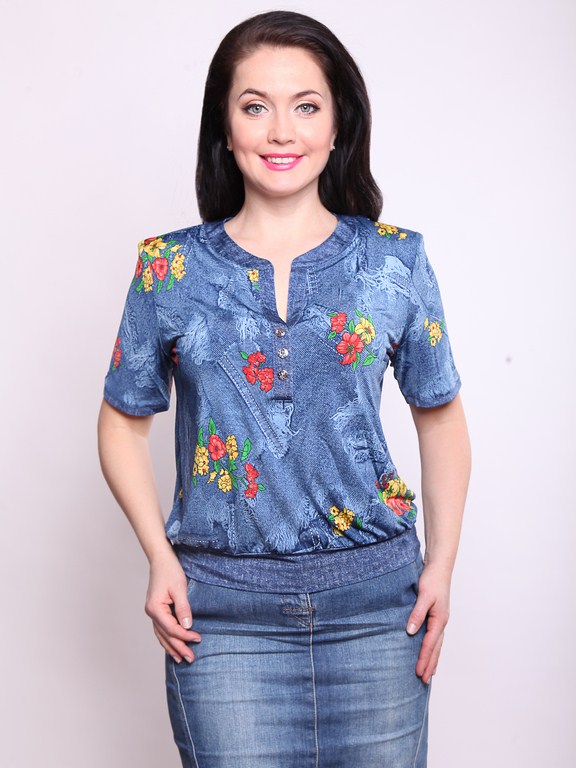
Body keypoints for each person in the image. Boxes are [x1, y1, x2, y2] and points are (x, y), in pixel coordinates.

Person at [98, 10, 471, 767]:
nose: (280, 131)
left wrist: (441, 566)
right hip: (220, 617)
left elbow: (441, 419)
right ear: (224, 127)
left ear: (338, 126)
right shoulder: (167, 268)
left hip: (379, 609)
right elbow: (121, 423)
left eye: (305, 106)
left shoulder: (395, 262)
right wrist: (159, 557)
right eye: (254, 106)